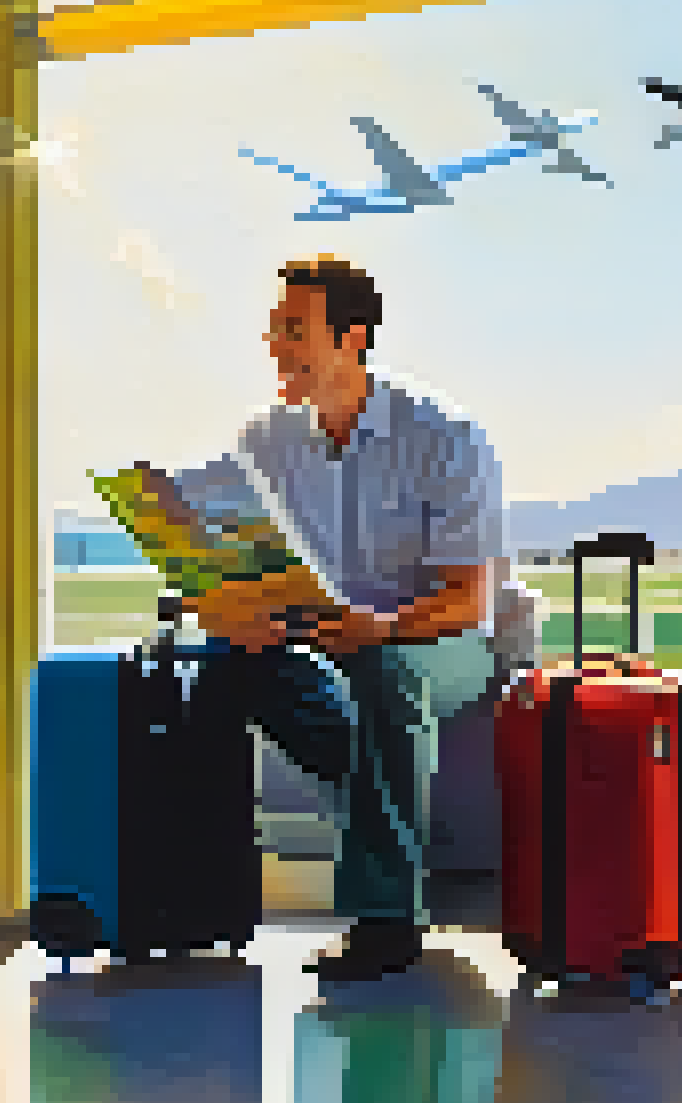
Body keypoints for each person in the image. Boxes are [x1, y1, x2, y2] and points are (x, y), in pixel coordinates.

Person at [184, 256, 504, 981]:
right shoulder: (264, 441)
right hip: (326, 635)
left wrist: (382, 628)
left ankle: (386, 923)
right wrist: (227, 606)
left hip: (437, 640)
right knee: (218, 670)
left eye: (295, 330)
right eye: (273, 329)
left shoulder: (445, 437)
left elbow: (468, 600)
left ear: (354, 337)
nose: (276, 346)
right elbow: (232, 558)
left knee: (386, 681)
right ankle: (198, 902)